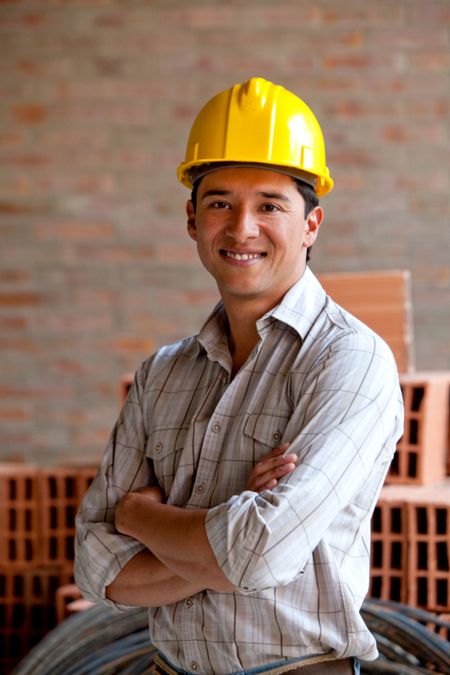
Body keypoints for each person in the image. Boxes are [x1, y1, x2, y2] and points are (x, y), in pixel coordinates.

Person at [75, 77, 404, 675]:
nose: (242, 227)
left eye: (270, 205)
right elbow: (98, 569)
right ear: (192, 219)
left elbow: (262, 553)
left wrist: (140, 517)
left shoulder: (350, 360)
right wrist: (229, 528)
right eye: (220, 202)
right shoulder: (162, 375)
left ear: (311, 223)